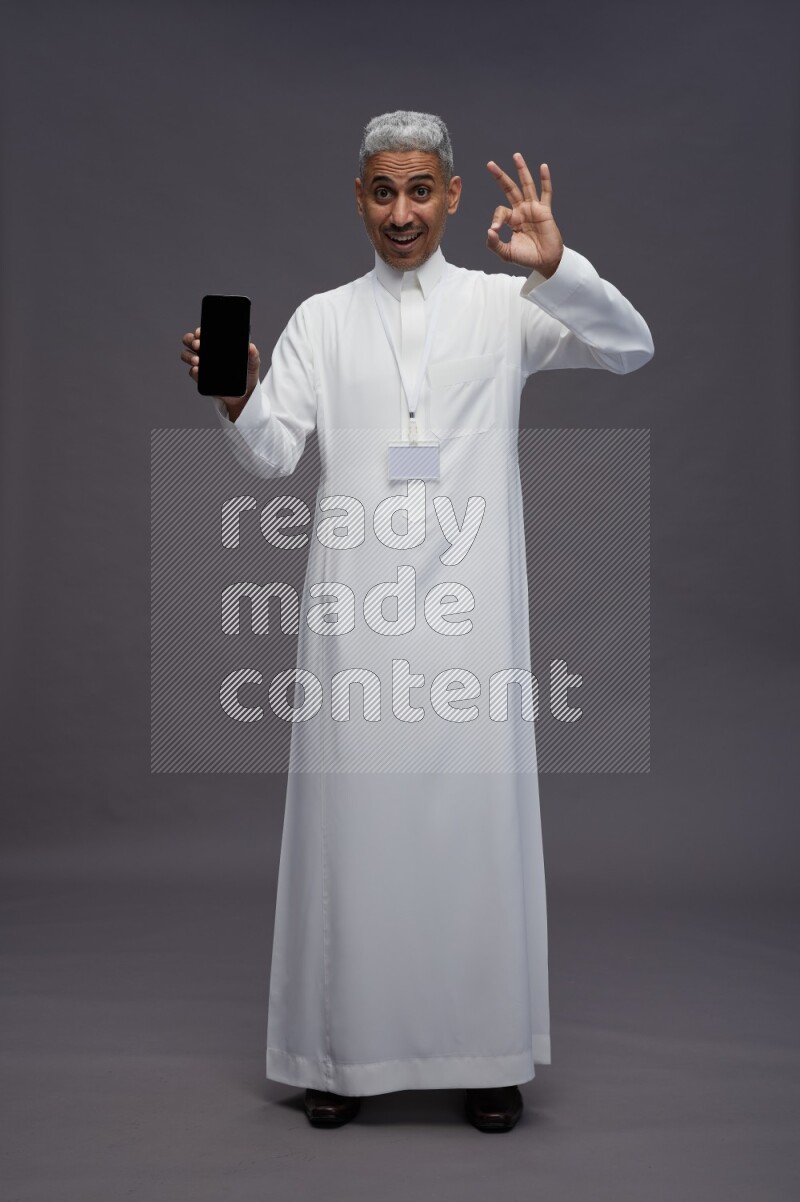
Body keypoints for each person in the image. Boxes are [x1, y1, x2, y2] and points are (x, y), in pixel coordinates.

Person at [180, 110, 653, 1133]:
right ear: (358, 198)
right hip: (355, 620)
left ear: (448, 196)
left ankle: (484, 1055)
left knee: (472, 832)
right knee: (355, 833)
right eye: (382, 191)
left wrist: (558, 264)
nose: (401, 212)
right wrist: (234, 396)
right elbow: (269, 454)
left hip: (471, 615)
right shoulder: (321, 319)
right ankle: (337, 1053)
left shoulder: (502, 306)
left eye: (420, 190)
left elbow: (629, 347)